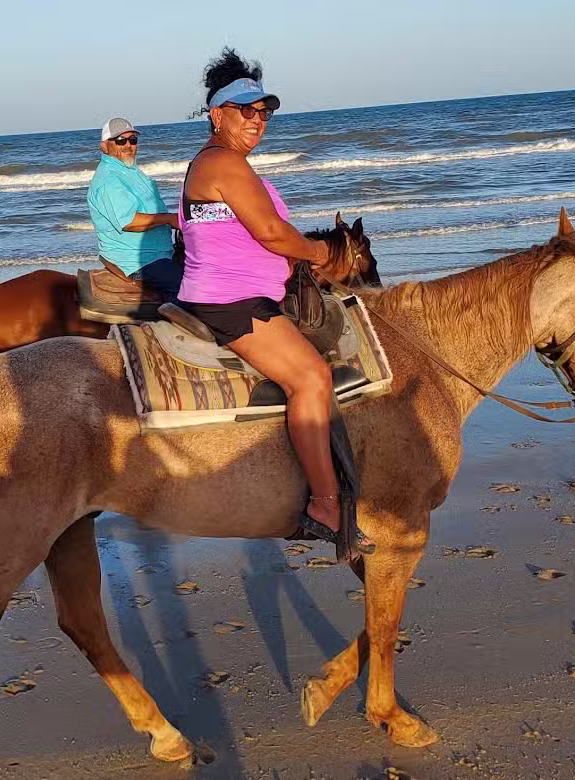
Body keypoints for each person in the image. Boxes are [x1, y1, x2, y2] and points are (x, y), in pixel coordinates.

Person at [178, 49, 373, 553]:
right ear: (216, 115)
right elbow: (270, 232)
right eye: (246, 111)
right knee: (311, 376)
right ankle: (325, 504)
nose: (257, 121)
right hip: (231, 300)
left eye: (263, 112)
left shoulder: (224, 164)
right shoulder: (223, 162)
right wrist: (321, 252)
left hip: (246, 289)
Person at [87, 117, 183, 300]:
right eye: (120, 140)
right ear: (104, 146)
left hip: (156, 253)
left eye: (133, 140)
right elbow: (130, 221)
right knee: (188, 292)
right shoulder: (109, 179)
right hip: (136, 260)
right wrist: (170, 219)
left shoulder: (129, 171)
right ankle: (173, 328)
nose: (128, 145)